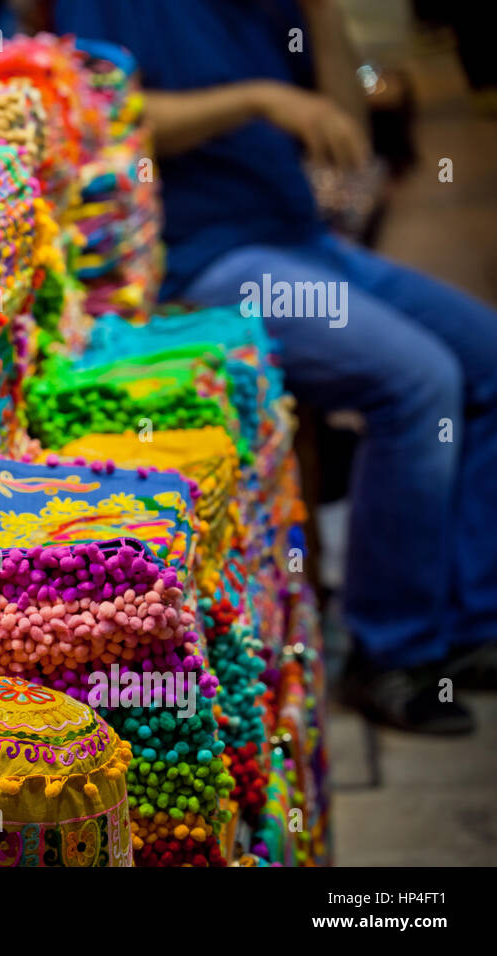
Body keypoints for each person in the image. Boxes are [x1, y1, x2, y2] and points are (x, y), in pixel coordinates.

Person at [52, 0, 497, 734]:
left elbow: (341, 123)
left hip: (301, 239)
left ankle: (473, 617)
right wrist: (258, 99)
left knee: (485, 354)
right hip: (206, 257)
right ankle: (394, 649)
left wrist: (322, 17)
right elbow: (108, 116)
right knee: (419, 383)